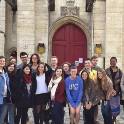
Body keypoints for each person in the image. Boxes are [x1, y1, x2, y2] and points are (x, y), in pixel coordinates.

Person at [106, 57, 122, 123]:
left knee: (115, 107)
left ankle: (114, 119)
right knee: (109, 107)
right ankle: (109, 119)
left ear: (116, 62)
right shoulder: (106, 70)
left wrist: (118, 92)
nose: (112, 62)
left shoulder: (120, 71)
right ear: (110, 62)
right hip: (108, 92)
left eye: (114, 61)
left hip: (116, 92)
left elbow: (122, 82)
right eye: (111, 61)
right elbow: (104, 81)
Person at [0, 56, 14, 124]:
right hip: (0, 96)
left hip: (6, 96)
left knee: (2, 115)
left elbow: (7, 85)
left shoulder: (5, 72)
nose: (2, 62)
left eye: (3, 61)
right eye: (0, 61)